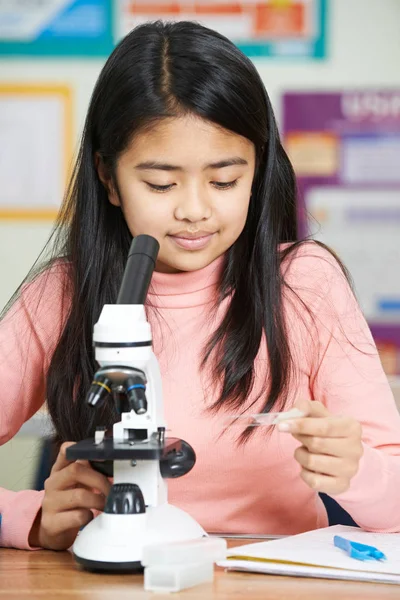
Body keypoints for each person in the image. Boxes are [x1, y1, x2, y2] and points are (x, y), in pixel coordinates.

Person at [1, 20, 400, 553]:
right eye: (161, 183)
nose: (194, 210)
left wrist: (358, 471)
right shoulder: (61, 293)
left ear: (258, 171)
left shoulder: (305, 284)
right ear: (108, 177)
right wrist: (29, 518)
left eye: (224, 181)